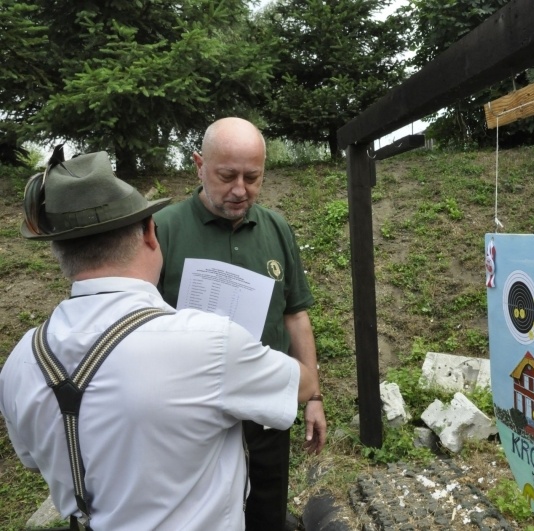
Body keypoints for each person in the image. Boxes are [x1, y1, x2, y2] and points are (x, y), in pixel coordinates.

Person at [0, 149, 316, 531]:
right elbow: (303, 384)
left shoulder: (20, 361)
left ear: (59, 251)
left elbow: (33, 459)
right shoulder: (209, 343)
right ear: (151, 233)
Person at [154, 117, 327, 530]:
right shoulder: (162, 229)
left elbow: (295, 315)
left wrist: (314, 396)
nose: (239, 190)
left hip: (266, 412)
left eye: (252, 178)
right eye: (227, 175)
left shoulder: (276, 228)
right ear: (199, 165)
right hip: (191, 420)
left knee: (267, 511)